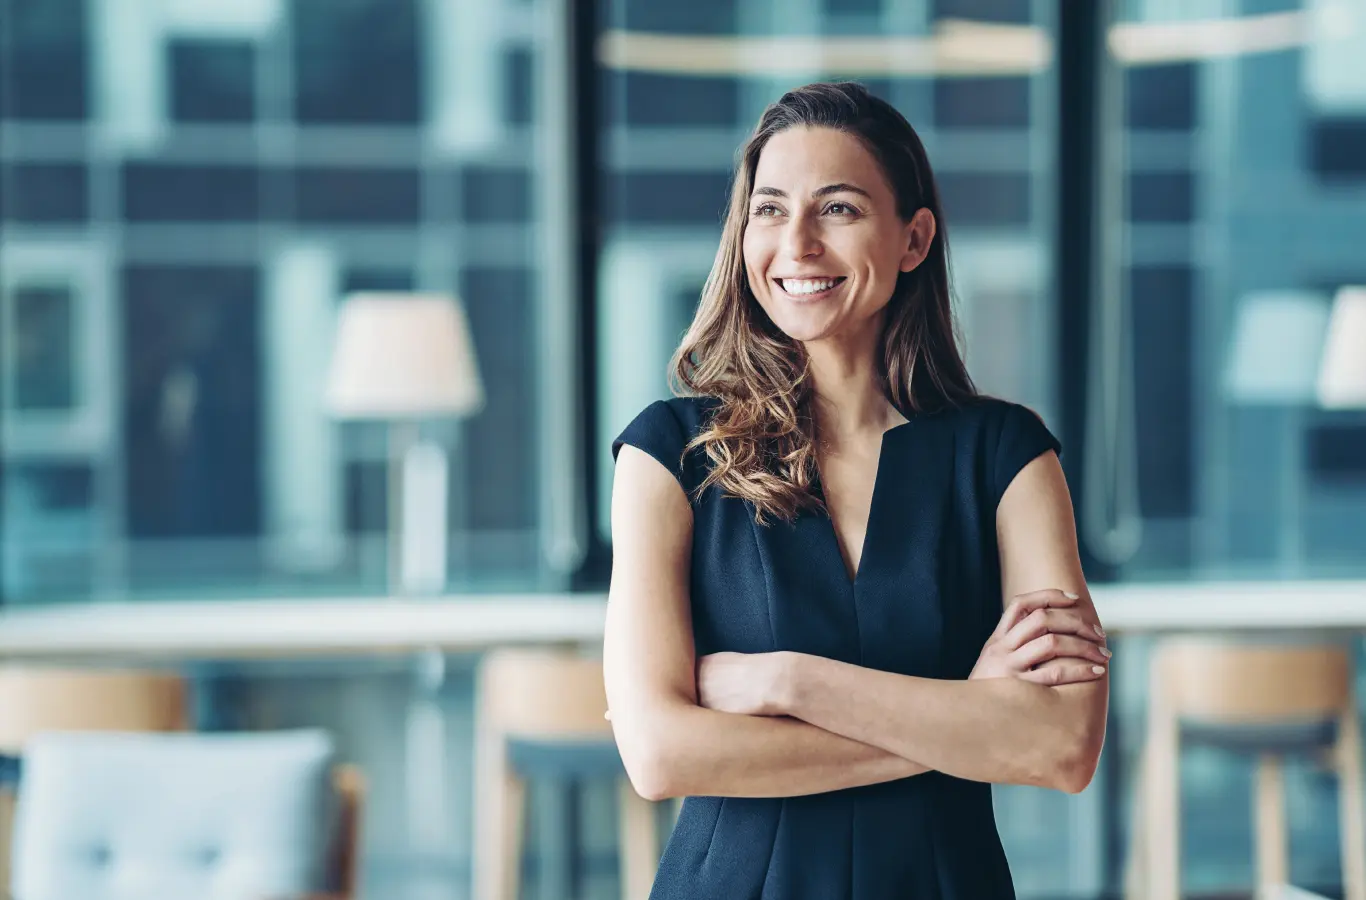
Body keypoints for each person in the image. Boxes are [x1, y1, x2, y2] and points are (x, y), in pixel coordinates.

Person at [604, 81, 1109, 900]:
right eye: (769, 210)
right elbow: (659, 755)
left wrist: (784, 684)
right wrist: (970, 722)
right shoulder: (671, 453)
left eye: (836, 209)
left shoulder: (1007, 456)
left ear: (913, 239)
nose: (796, 243)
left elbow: (1061, 749)